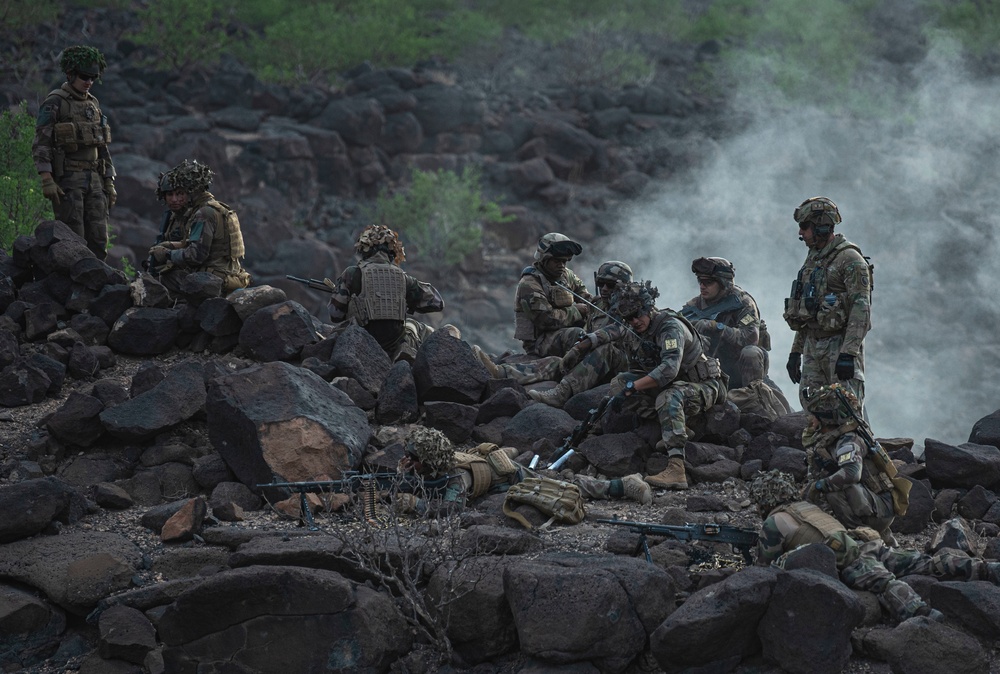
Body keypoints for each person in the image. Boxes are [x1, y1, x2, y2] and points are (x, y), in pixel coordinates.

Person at [749, 470, 1000, 624]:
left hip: (850, 558)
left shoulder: (774, 521)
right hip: (867, 544)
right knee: (923, 562)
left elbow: (764, 568)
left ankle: (925, 618)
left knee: (885, 583)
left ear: (764, 501)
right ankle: (985, 569)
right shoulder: (808, 507)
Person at [556, 280, 727, 490]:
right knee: (619, 382)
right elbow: (611, 331)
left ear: (648, 308)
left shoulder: (669, 327)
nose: (634, 321)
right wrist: (582, 346)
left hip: (702, 385)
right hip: (676, 384)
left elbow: (668, 370)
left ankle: (676, 468)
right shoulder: (634, 324)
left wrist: (633, 387)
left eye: (638, 315)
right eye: (629, 318)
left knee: (667, 397)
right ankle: (675, 426)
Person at [395, 426, 651, 515]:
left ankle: (622, 486)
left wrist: (417, 505)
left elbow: (453, 508)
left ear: (429, 459)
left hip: (514, 478)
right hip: (496, 470)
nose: (408, 460)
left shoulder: (457, 477)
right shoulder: (433, 466)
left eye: (413, 457)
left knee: (560, 486)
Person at [475, 260, 633, 396]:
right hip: (592, 359)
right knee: (556, 363)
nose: (604, 288)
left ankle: (561, 394)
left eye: (611, 285)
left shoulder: (631, 310)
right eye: (601, 283)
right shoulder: (597, 304)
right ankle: (499, 372)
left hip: (614, 364)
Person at [783, 197, 872, 409]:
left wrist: (848, 354)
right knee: (812, 411)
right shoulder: (814, 259)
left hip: (838, 345)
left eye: (805, 227)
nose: (800, 233)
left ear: (821, 226)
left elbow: (861, 310)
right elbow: (806, 309)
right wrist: (796, 351)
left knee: (845, 410)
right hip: (813, 346)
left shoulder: (850, 259)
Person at [32, 45, 116, 260]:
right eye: (83, 76)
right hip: (69, 179)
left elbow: (101, 145)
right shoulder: (55, 102)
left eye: (92, 78)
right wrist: (46, 178)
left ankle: (98, 284)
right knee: (73, 235)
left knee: (98, 236)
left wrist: (109, 181)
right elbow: (41, 142)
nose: (88, 82)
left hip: (95, 178)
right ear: (70, 75)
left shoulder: (93, 103)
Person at [327, 224, 450, 362]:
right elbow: (437, 303)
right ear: (393, 252)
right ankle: (403, 353)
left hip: (360, 341)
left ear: (364, 249)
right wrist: (408, 297)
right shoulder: (403, 278)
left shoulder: (352, 274)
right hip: (393, 345)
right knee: (414, 326)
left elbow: (335, 315)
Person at [800, 384, 901, 545]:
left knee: (833, 490)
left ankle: (860, 537)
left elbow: (852, 473)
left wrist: (819, 485)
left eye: (813, 415)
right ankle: (884, 538)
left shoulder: (849, 440)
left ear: (824, 418)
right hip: (870, 502)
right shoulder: (828, 438)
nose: (810, 419)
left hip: (880, 510)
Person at [146, 159, 251, 298]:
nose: (175, 199)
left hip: (214, 280)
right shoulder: (217, 208)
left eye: (180, 193)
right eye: (170, 195)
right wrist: (170, 245)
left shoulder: (204, 214)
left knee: (163, 278)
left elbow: (196, 256)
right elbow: (196, 243)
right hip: (228, 275)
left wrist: (167, 254)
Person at [681, 257, 772, 390]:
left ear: (723, 282)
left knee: (751, 352)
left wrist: (715, 327)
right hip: (710, 366)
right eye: (700, 281)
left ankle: (752, 396)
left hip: (739, 365)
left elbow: (750, 337)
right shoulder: (694, 306)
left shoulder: (742, 302)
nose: (702, 286)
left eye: (708, 282)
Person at [513, 233, 592, 358]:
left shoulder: (566, 275)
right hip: (540, 342)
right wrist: (576, 311)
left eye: (564, 261)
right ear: (544, 259)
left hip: (562, 333)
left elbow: (586, 298)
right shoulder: (529, 283)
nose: (561, 265)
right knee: (579, 335)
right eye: (556, 261)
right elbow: (546, 320)